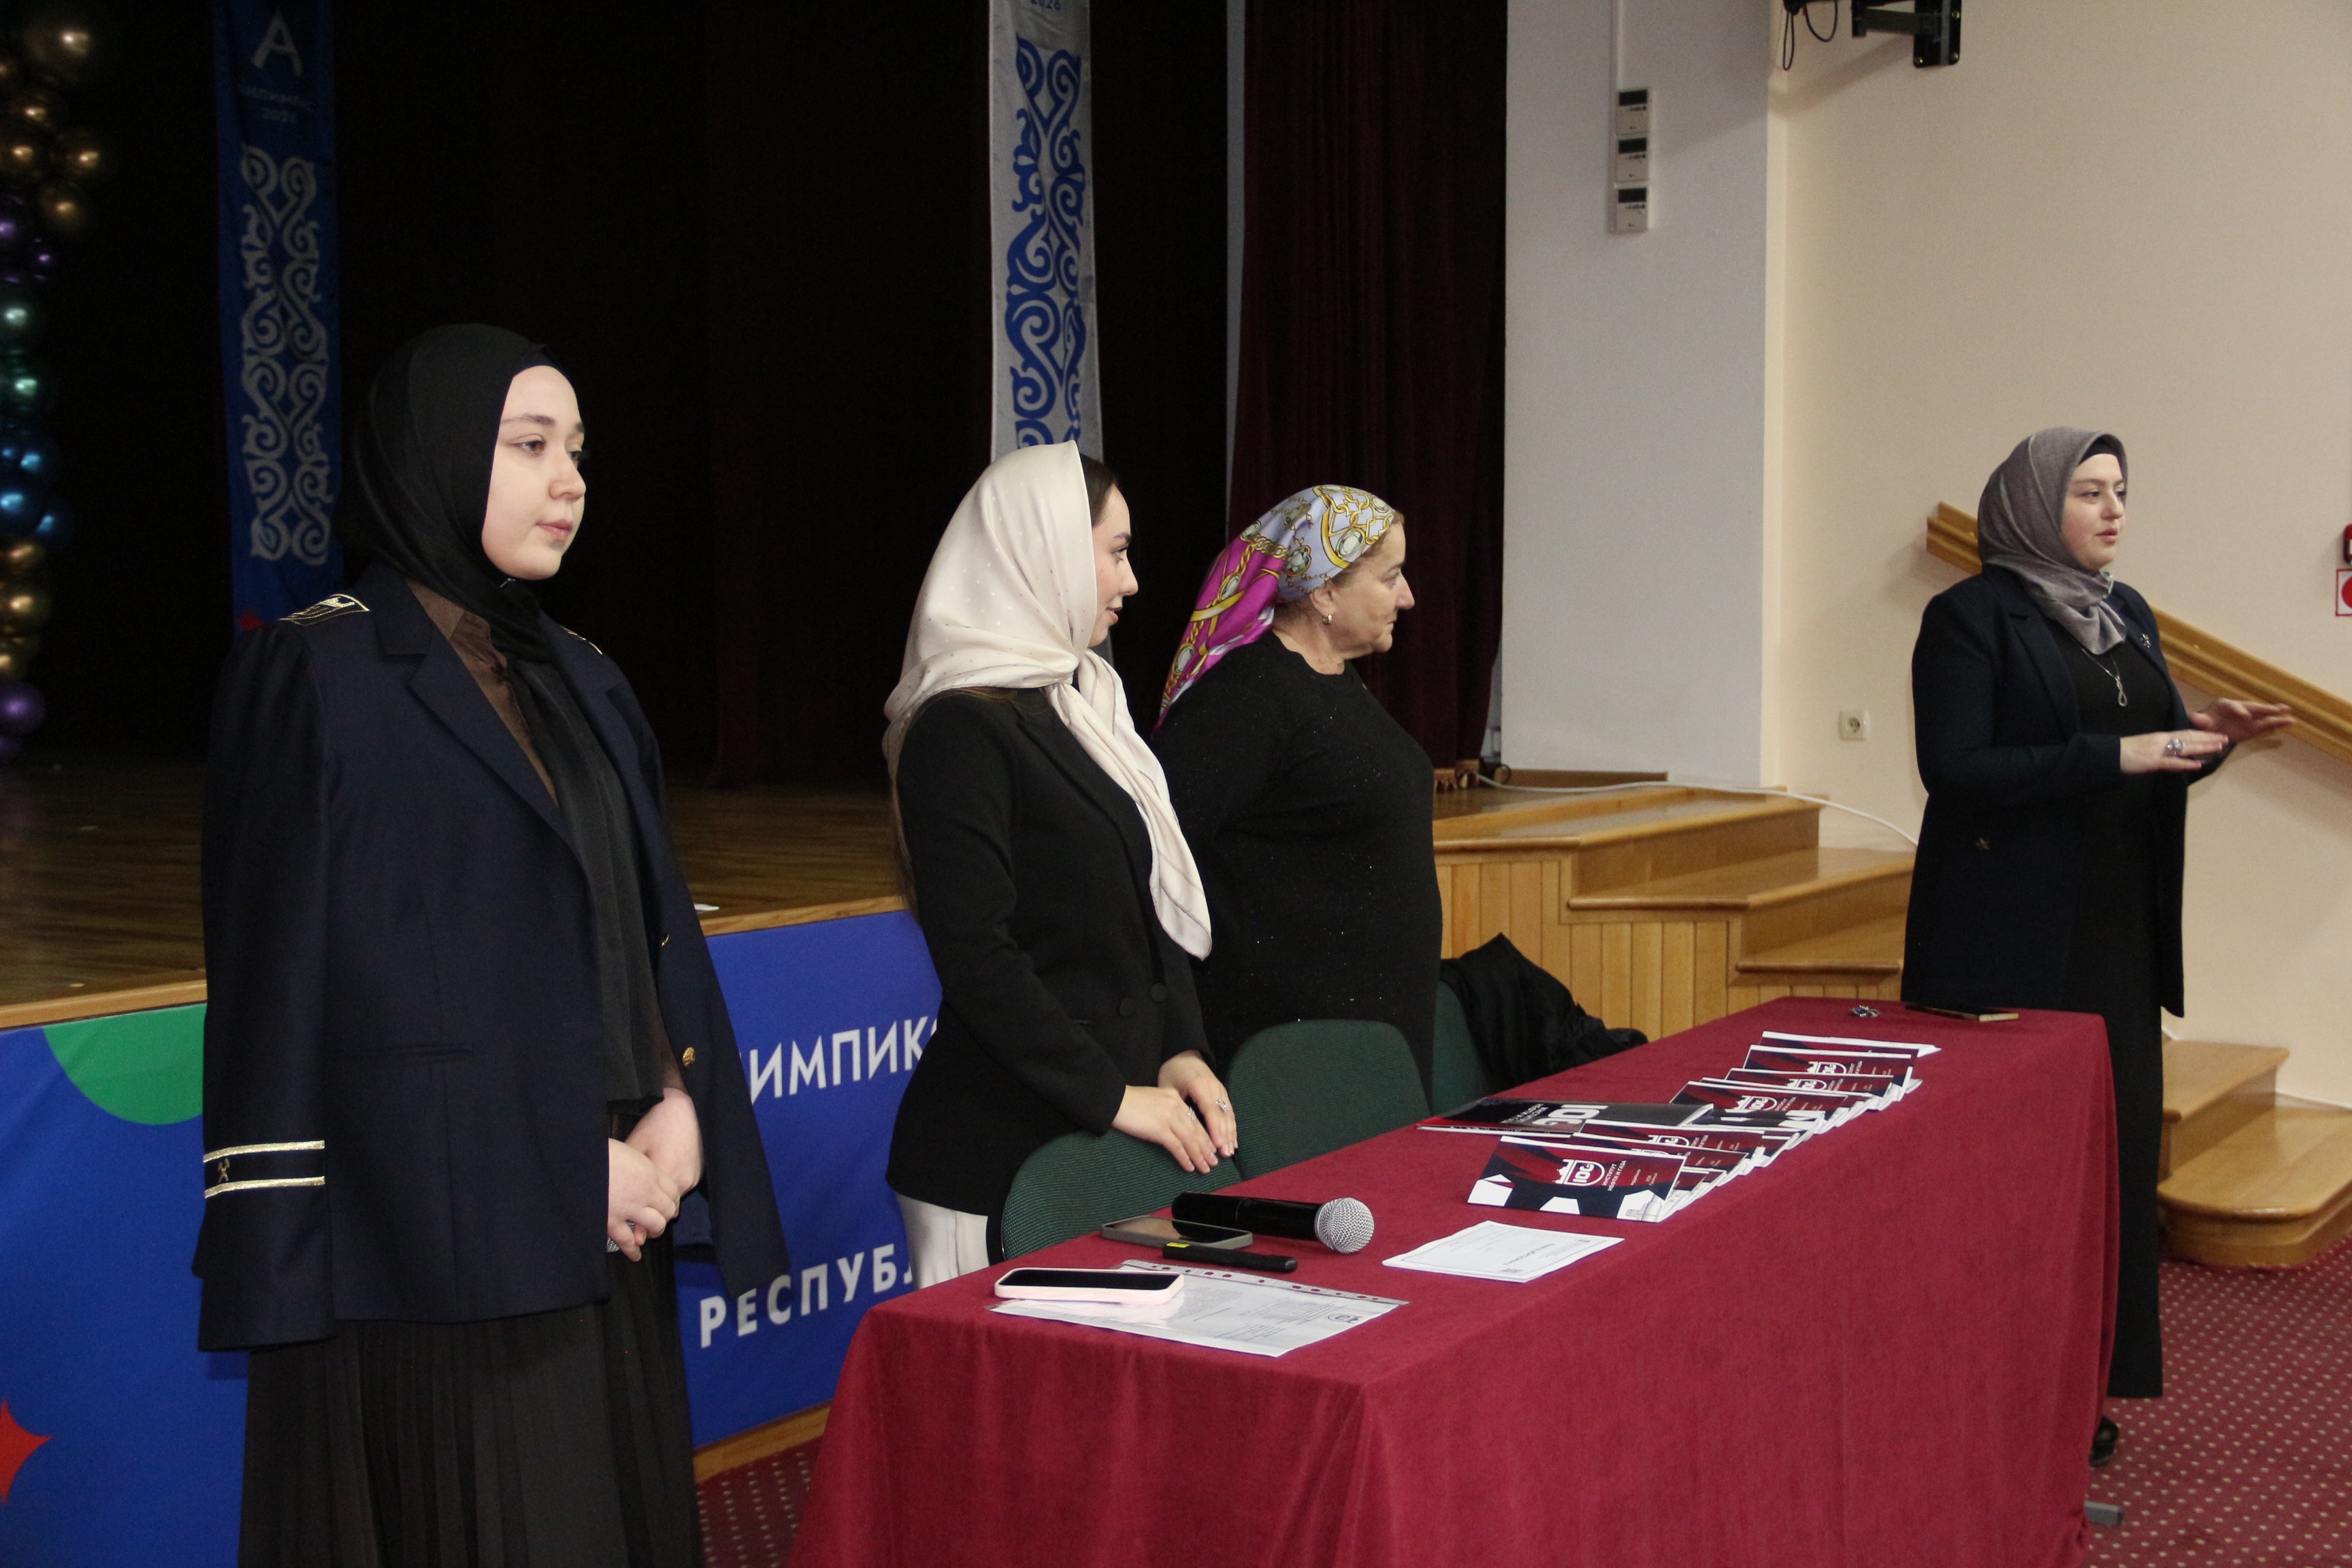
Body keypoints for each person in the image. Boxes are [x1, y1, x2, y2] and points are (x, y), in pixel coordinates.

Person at [197, 325, 787, 1566]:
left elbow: (641, 922)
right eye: (529, 446)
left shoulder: (587, 678)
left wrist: (679, 1096)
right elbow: (294, 1007)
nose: (569, 480)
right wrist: (558, 1169)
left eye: (577, 450)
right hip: (430, 1261)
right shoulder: (315, 672)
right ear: (437, 454)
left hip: (611, 1222)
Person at [1902, 427, 2291, 1467]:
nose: (2114, 510)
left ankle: (2083, 1385)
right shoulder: (1970, 617)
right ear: (2034, 505)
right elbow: (1958, 770)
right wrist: (2118, 754)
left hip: (2116, 936)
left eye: (2121, 491)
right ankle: (1999, 1387)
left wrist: (2208, 737)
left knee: (2109, 1173)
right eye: (2089, 491)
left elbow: (2147, 753)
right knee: (2020, 1178)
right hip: (2010, 940)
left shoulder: (2128, 613)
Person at [882, 443, 1237, 1285]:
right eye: (1115, 552)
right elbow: (978, 954)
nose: (1131, 581)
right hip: (997, 1152)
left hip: (1094, 1134)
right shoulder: (959, 728)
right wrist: (1112, 1094)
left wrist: (1180, 1050)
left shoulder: (1077, 706)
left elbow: (1149, 901)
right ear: (1042, 552)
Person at [1150, 485, 1443, 1094]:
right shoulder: (1247, 698)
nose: (1408, 596)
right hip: (1294, 1060)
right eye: (1390, 577)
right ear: (1325, 591)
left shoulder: (1335, 679)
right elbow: (1154, 853)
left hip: (1368, 1043)